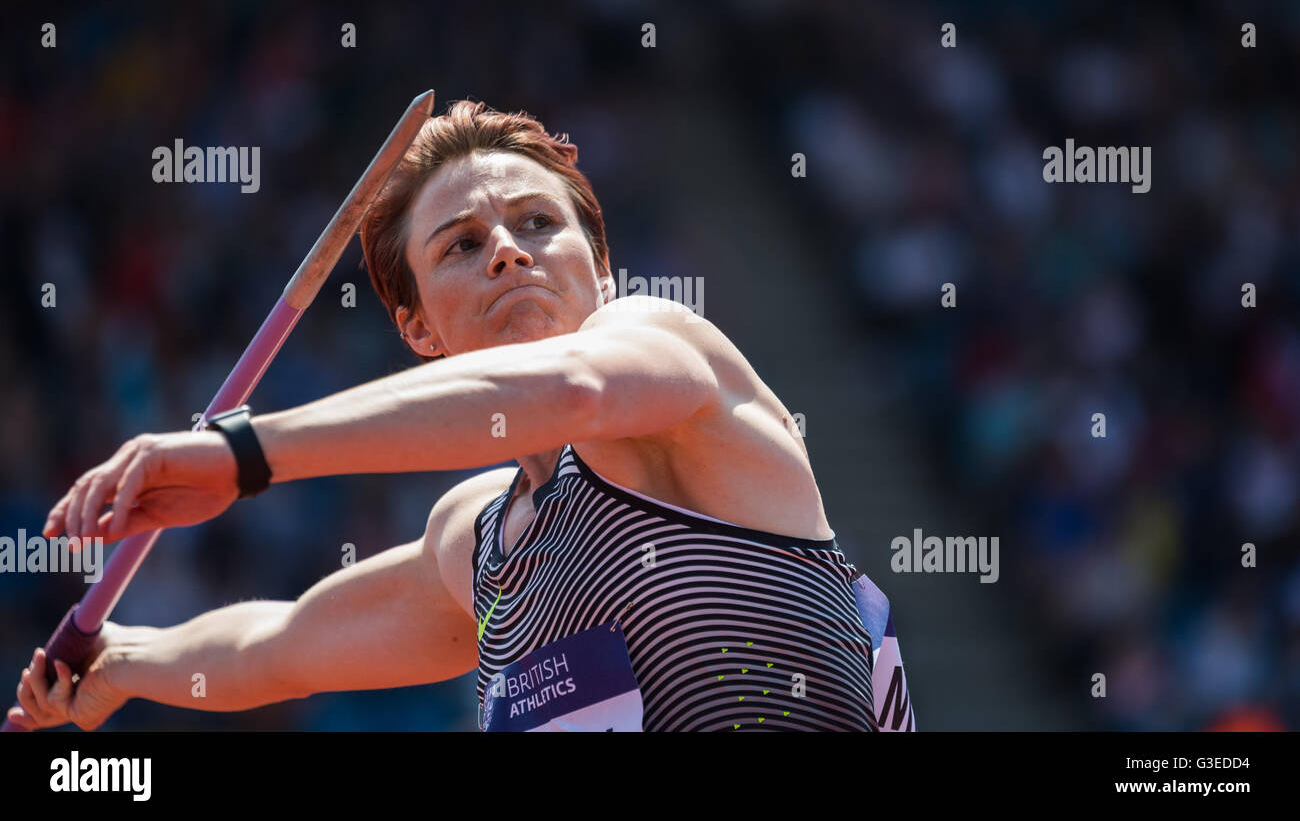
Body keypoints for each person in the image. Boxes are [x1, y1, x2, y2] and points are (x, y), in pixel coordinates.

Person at [9, 100, 915, 732]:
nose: (510, 255)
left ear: (601, 271)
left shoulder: (669, 353)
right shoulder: (476, 542)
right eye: (464, 246)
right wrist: (125, 665)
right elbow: (280, 647)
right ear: (416, 329)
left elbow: (571, 390)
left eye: (538, 225)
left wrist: (242, 453)